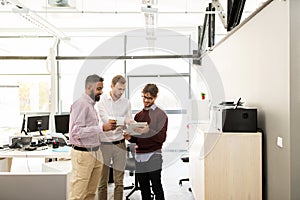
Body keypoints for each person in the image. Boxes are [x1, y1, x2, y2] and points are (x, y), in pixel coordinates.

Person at [68, 74, 116, 200]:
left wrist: (105, 128)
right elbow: (75, 132)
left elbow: (89, 129)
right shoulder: (81, 104)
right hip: (83, 154)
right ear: (89, 87)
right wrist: (101, 128)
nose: (101, 92)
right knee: (78, 195)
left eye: (101, 89)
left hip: (95, 152)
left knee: (90, 194)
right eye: (99, 89)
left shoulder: (91, 105)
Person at [124, 83, 168, 200]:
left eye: (150, 98)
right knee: (144, 188)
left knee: (156, 187)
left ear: (155, 97)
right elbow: (137, 138)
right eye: (144, 97)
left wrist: (148, 130)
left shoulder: (161, 115)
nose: (146, 100)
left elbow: (161, 138)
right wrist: (130, 137)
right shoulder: (138, 115)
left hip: (154, 155)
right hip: (140, 157)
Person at [95, 75, 132, 200]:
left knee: (119, 182)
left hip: (120, 144)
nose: (121, 92)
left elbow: (129, 122)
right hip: (104, 144)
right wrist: (123, 121)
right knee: (102, 182)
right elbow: (107, 121)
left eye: (123, 90)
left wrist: (126, 125)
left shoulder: (126, 102)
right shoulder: (101, 101)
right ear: (112, 86)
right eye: (119, 89)